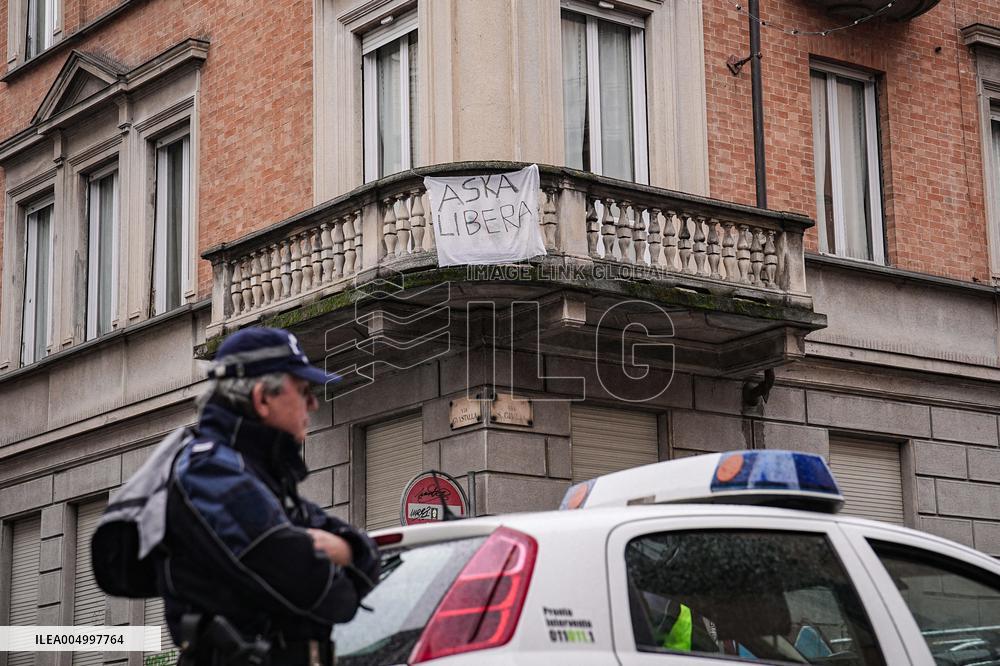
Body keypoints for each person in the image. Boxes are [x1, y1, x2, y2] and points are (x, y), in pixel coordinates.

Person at [153, 327, 379, 666]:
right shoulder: (211, 473)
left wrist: (346, 549)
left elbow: (367, 557)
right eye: (303, 391)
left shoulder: (260, 474)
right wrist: (335, 557)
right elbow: (324, 593)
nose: (313, 403)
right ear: (262, 398)